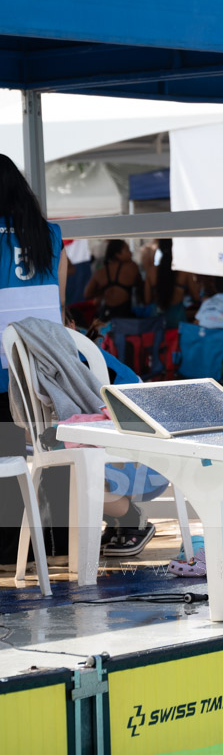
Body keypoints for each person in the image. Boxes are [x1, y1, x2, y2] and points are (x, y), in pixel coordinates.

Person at [0, 155, 67, 563]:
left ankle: (10, 550)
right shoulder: (50, 234)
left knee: (6, 456)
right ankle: (62, 546)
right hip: (46, 366)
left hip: (2, 369)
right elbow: (59, 303)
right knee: (55, 450)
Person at [142, 239, 200, 327]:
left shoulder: (151, 271)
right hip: (178, 321)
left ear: (160, 248)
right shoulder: (184, 271)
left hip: (157, 321)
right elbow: (196, 297)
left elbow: (147, 300)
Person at [85, 239, 142, 319]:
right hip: (125, 316)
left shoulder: (101, 271)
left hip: (106, 314)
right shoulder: (132, 267)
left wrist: (103, 291)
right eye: (127, 250)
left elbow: (87, 294)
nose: (130, 252)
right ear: (117, 254)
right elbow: (141, 288)